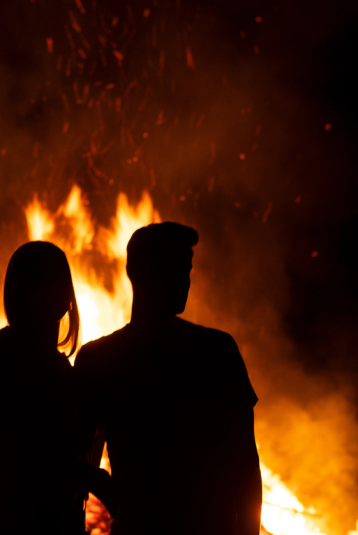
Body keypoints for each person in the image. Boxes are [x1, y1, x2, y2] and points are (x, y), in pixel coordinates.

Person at [75, 222, 262, 535]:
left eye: (186, 270)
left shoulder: (217, 352)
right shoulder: (215, 351)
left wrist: (104, 486)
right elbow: (77, 460)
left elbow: (245, 465)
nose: (184, 281)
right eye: (171, 269)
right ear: (136, 273)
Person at [0, 241, 116, 534]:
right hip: (22, 522)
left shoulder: (50, 363)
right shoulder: (8, 355)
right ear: (21, 293)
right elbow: (34, 453)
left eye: (58, 281)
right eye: (41, 282)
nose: (52, 291)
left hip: (46, 520)